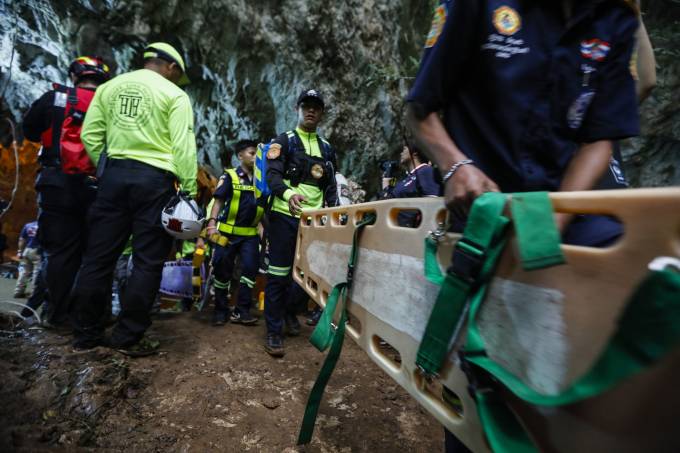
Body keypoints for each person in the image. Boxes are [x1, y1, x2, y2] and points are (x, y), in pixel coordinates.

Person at [406, 2, 643, 452]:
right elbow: (420, 109)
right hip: (481, 207)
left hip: (559, 206)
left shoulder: (616, 19)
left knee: (623, 292)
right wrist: (455, 166)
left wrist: (551, 221)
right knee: (481, 371)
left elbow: (600, 137)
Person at [69, 42, 197, 356]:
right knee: (146, 262)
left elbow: (89, 134)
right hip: (155, 182)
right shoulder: (174, 95)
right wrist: (190, 190)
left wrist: (106, 170)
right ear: (171, 67)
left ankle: (86, 334)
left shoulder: (109, 88)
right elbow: (183, 145)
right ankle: (127, 338)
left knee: (98, 259)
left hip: (113, 177)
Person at [21, 56, 111, 329]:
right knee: (97, 254)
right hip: (100, 186)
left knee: (60, 253)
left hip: (57, 184)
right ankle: (93, 316)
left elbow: (31, 130)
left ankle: (57, 315)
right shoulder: (111, 104)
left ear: (75, 76)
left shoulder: (54, 98)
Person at [263, 88, 339, 357]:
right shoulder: (284, 141)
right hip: (284, 216)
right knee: (279, 274)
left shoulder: (327, 149)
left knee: (307, 277)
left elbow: (330, 187)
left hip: (314, 222)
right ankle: (273, 330)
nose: (311, 111)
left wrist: (335, 211)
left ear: (321, 113)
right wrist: (288, 193)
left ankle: (286, 312)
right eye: (306, 106)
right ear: (297, 109)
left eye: (316, 108)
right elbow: (272, 177)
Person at [203, 139, 264, 326]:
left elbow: (261, 209)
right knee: (222, 271)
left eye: (257, 154)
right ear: (240, 156)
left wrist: (263, 234)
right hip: (227, 234)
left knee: (250, 271)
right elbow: (218, 201)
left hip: (250, 235)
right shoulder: (229, 176)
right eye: (251, 153)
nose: (255, 157)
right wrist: (212, 224)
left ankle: (242, 311)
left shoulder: (261, 179)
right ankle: (221, 310)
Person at [381, 144, 442, 226]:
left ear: (415, 154)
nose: (401, 153)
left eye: (404, 149)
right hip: (396, 227)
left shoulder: (426, 171)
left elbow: (432, 202)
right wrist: (387, 176)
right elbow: (388, 197)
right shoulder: (406, 178)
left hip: (412, 230)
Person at [13, 220, 41, 298]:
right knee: (36, 273)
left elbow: (22, 239)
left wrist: (20, 251)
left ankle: (18, 291)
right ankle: (33, 293)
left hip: (27, 250)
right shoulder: (46, 226)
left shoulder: (28, 225)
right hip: (38, 251)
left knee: (24, 272)